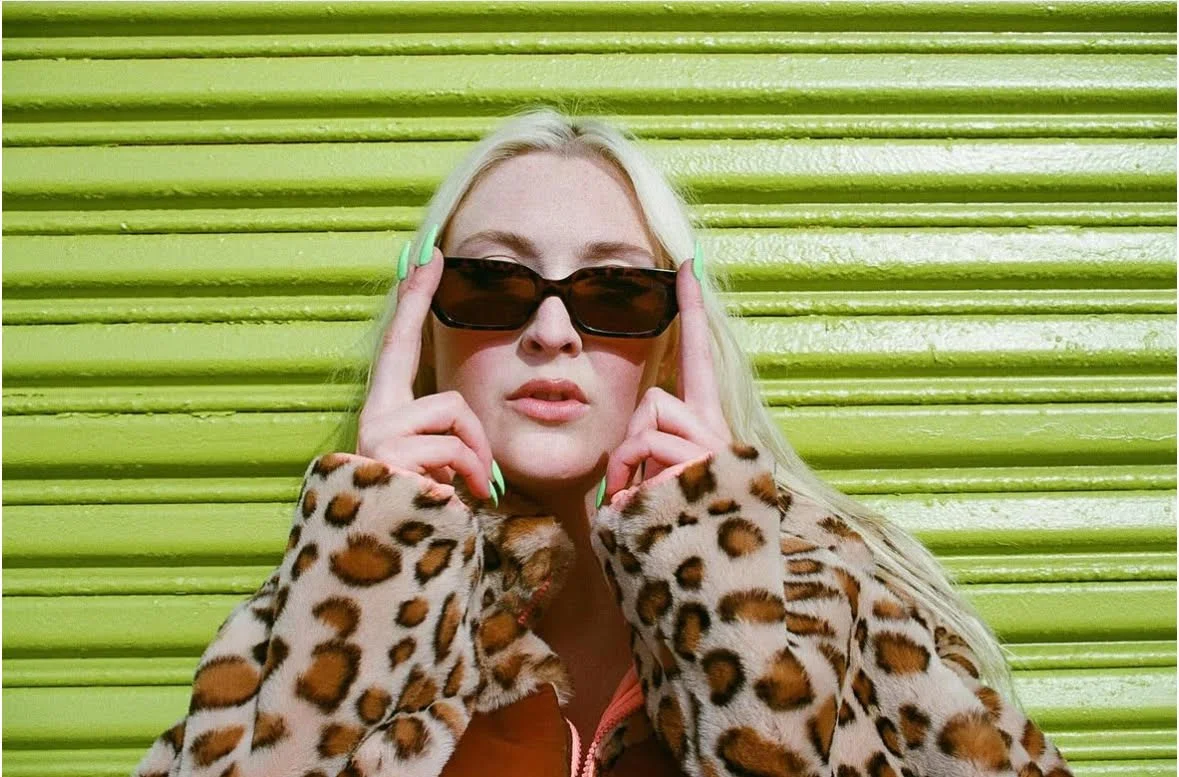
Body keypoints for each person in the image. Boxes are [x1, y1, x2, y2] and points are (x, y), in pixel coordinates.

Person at [133, 107, 1073, 777]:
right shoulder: (326, 598)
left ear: (668, 342)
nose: (551, 331)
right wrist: (368, 570)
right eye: (494, 284)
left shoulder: (834, 601)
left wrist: (721, 588)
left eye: (613, 292)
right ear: (428, 331)